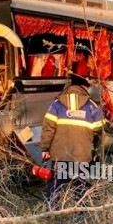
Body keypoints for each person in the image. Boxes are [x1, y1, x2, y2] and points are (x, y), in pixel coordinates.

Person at [40, 74, 104, 209]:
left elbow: (48, 128)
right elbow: (99, 128)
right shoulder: (92, 106)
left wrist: (45, 148)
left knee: (56, 184)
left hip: (59, 155)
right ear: (83, 87)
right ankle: (79, 214)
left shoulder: (56, 104)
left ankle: (53, 212)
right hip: (81, 155)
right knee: (80, 186)